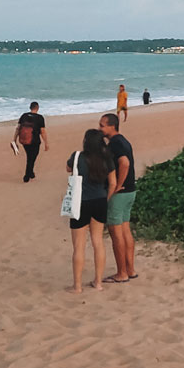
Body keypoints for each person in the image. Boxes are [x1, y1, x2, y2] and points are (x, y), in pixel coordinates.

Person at [66, 129, 115, 293]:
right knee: (98, 242)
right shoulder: (106, 159)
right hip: (100, 201)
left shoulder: (77, 156)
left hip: (80, 202)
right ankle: (98, 282)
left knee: (79, 246)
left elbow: (68, 169)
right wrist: (105, 199)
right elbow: (113, 183)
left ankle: (77, 286)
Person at [99, 113, 137, 284]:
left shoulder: (115, 143)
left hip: (120, 193)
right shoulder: (124, 140)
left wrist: (117, 185)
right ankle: (130, 269)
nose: (100, 129)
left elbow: (125, 163)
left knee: (116, 234)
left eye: (102, 125)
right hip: (130, 191)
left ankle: (122, 272)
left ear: (112, 126)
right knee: (125, 230)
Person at [14, 101, 49, 183]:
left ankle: (31, 173)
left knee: (30, 156)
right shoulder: (40, 117)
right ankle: (27, 176)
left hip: (24, 140)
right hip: (35, 141)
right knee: (32, 158)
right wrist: (46, 143)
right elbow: (42, 131)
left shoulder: (24, 116)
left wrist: (14, 139)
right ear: (37, 108)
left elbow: (18, 128)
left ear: (30, 107)